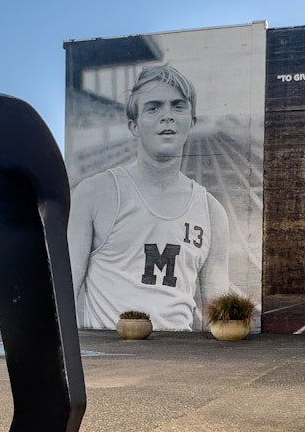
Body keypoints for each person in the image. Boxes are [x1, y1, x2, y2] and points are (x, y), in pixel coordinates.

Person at [69, 64, 229, 331]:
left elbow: (218, 313)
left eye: (178, 106)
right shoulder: (94, 193)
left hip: (178, 358)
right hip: (111, 358)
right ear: (134, 125)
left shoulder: (212, 210)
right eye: (153, 108)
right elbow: (65, 288)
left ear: (192, 122)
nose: (167, 116)